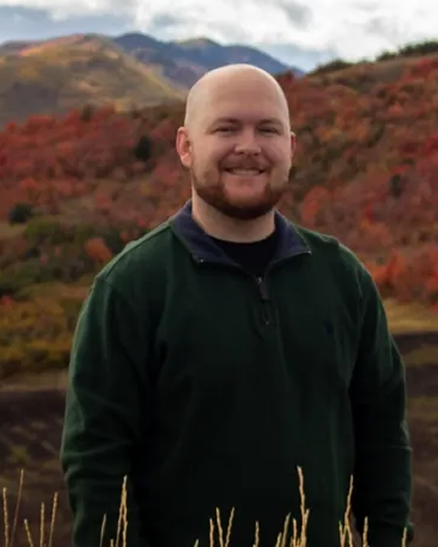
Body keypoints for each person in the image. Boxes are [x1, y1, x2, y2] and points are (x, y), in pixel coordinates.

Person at [60, 63, 414, 547]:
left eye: (267, 130)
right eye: (226, 128)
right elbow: (96, 461)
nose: (248, 146)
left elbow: (383, 436)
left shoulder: (341, 278)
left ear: (290, 148)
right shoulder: (131, 288)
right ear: (186, 146)